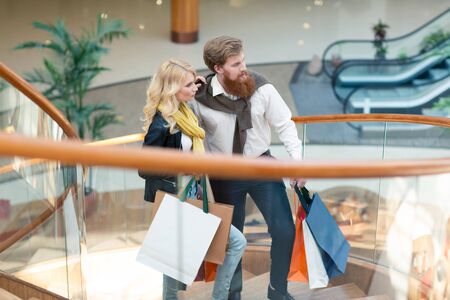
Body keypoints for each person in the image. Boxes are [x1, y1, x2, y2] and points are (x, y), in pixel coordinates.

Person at [192, 36, 306, 300]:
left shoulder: (262, 88)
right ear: (217, 68)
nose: (244, 67)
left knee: (284, 230)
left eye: (243, 60)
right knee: (233, 239)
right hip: (223, 173)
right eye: (235, 64)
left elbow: (285, 125)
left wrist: (296, 162)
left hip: (261, 166)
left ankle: (278, 290)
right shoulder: (200, 96)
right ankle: (234, 294)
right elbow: (189, 132)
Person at [139, 58, 247, 300]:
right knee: (174, 265)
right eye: (188, 85)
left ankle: (218, 296)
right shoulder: (161, 125)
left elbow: (191, 90)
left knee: (177, 260)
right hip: (176, 199)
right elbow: (144, 169)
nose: (195, 88)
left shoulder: (184, 111)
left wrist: (195, 81)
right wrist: (183, 169)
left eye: (194, 84)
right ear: (172, 89)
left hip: (193, 196)